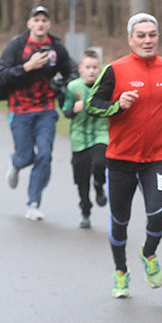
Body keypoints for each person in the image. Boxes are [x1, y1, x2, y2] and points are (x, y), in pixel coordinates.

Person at [86, 13, 162, 299]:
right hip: (120, 160)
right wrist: (117, 105)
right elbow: (93, 105)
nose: (147, 40)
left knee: (158, 213)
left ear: (158, 37)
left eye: (152, 34)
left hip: (156, 157)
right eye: (141, 35)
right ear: (130, 39)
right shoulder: (114, 70)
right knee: (120, 220)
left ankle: (148, 253)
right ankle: (121, 272)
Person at [0, 5, 77, 221]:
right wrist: (27, 67)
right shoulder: (18, 45)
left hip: (46, 110)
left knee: (44, 155)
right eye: (36, 20)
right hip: (19, 109)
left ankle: (33, 202)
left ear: (49, 24)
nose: (40, 24)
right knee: (26, 155)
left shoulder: (56, 47)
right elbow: (2, 74)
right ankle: (17, 162)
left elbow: (72, 72)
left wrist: (62, 83)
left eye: (44, 20)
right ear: (29, 23)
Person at [61, 49, 108, 229]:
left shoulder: (106, 86)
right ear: (81, 68)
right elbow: (65, 111)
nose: (91, 71)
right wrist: (73, 109)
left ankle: (99, 186)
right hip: (79, 138)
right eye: (88, 67)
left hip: (101, 134)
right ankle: (85, 210)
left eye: (95, 67)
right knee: (81, 181)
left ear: (100, 68)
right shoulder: (73, 87)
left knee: (99, 163)